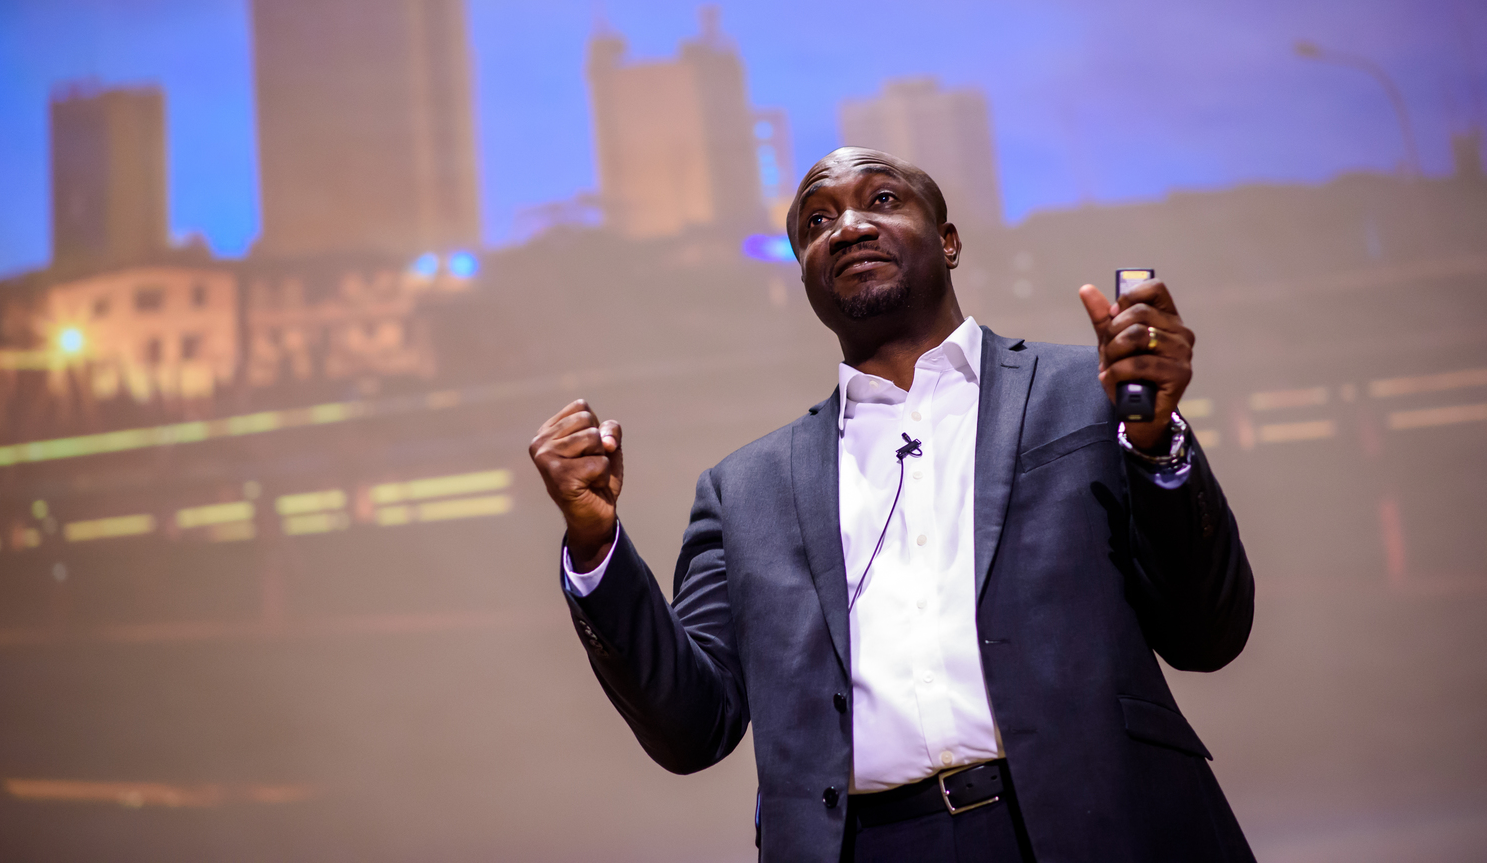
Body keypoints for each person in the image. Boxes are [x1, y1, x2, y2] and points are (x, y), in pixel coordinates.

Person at [529, 147, 1255, 863]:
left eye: (880, 201)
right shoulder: (744, 490)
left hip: (1109, 819)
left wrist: (1155, 441)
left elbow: (1207, 633)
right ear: (806, 274)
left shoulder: (1089, 392)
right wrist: (596, 546)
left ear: (948, 241)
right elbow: (692, 725)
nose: (846, 227)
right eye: (817, 221)